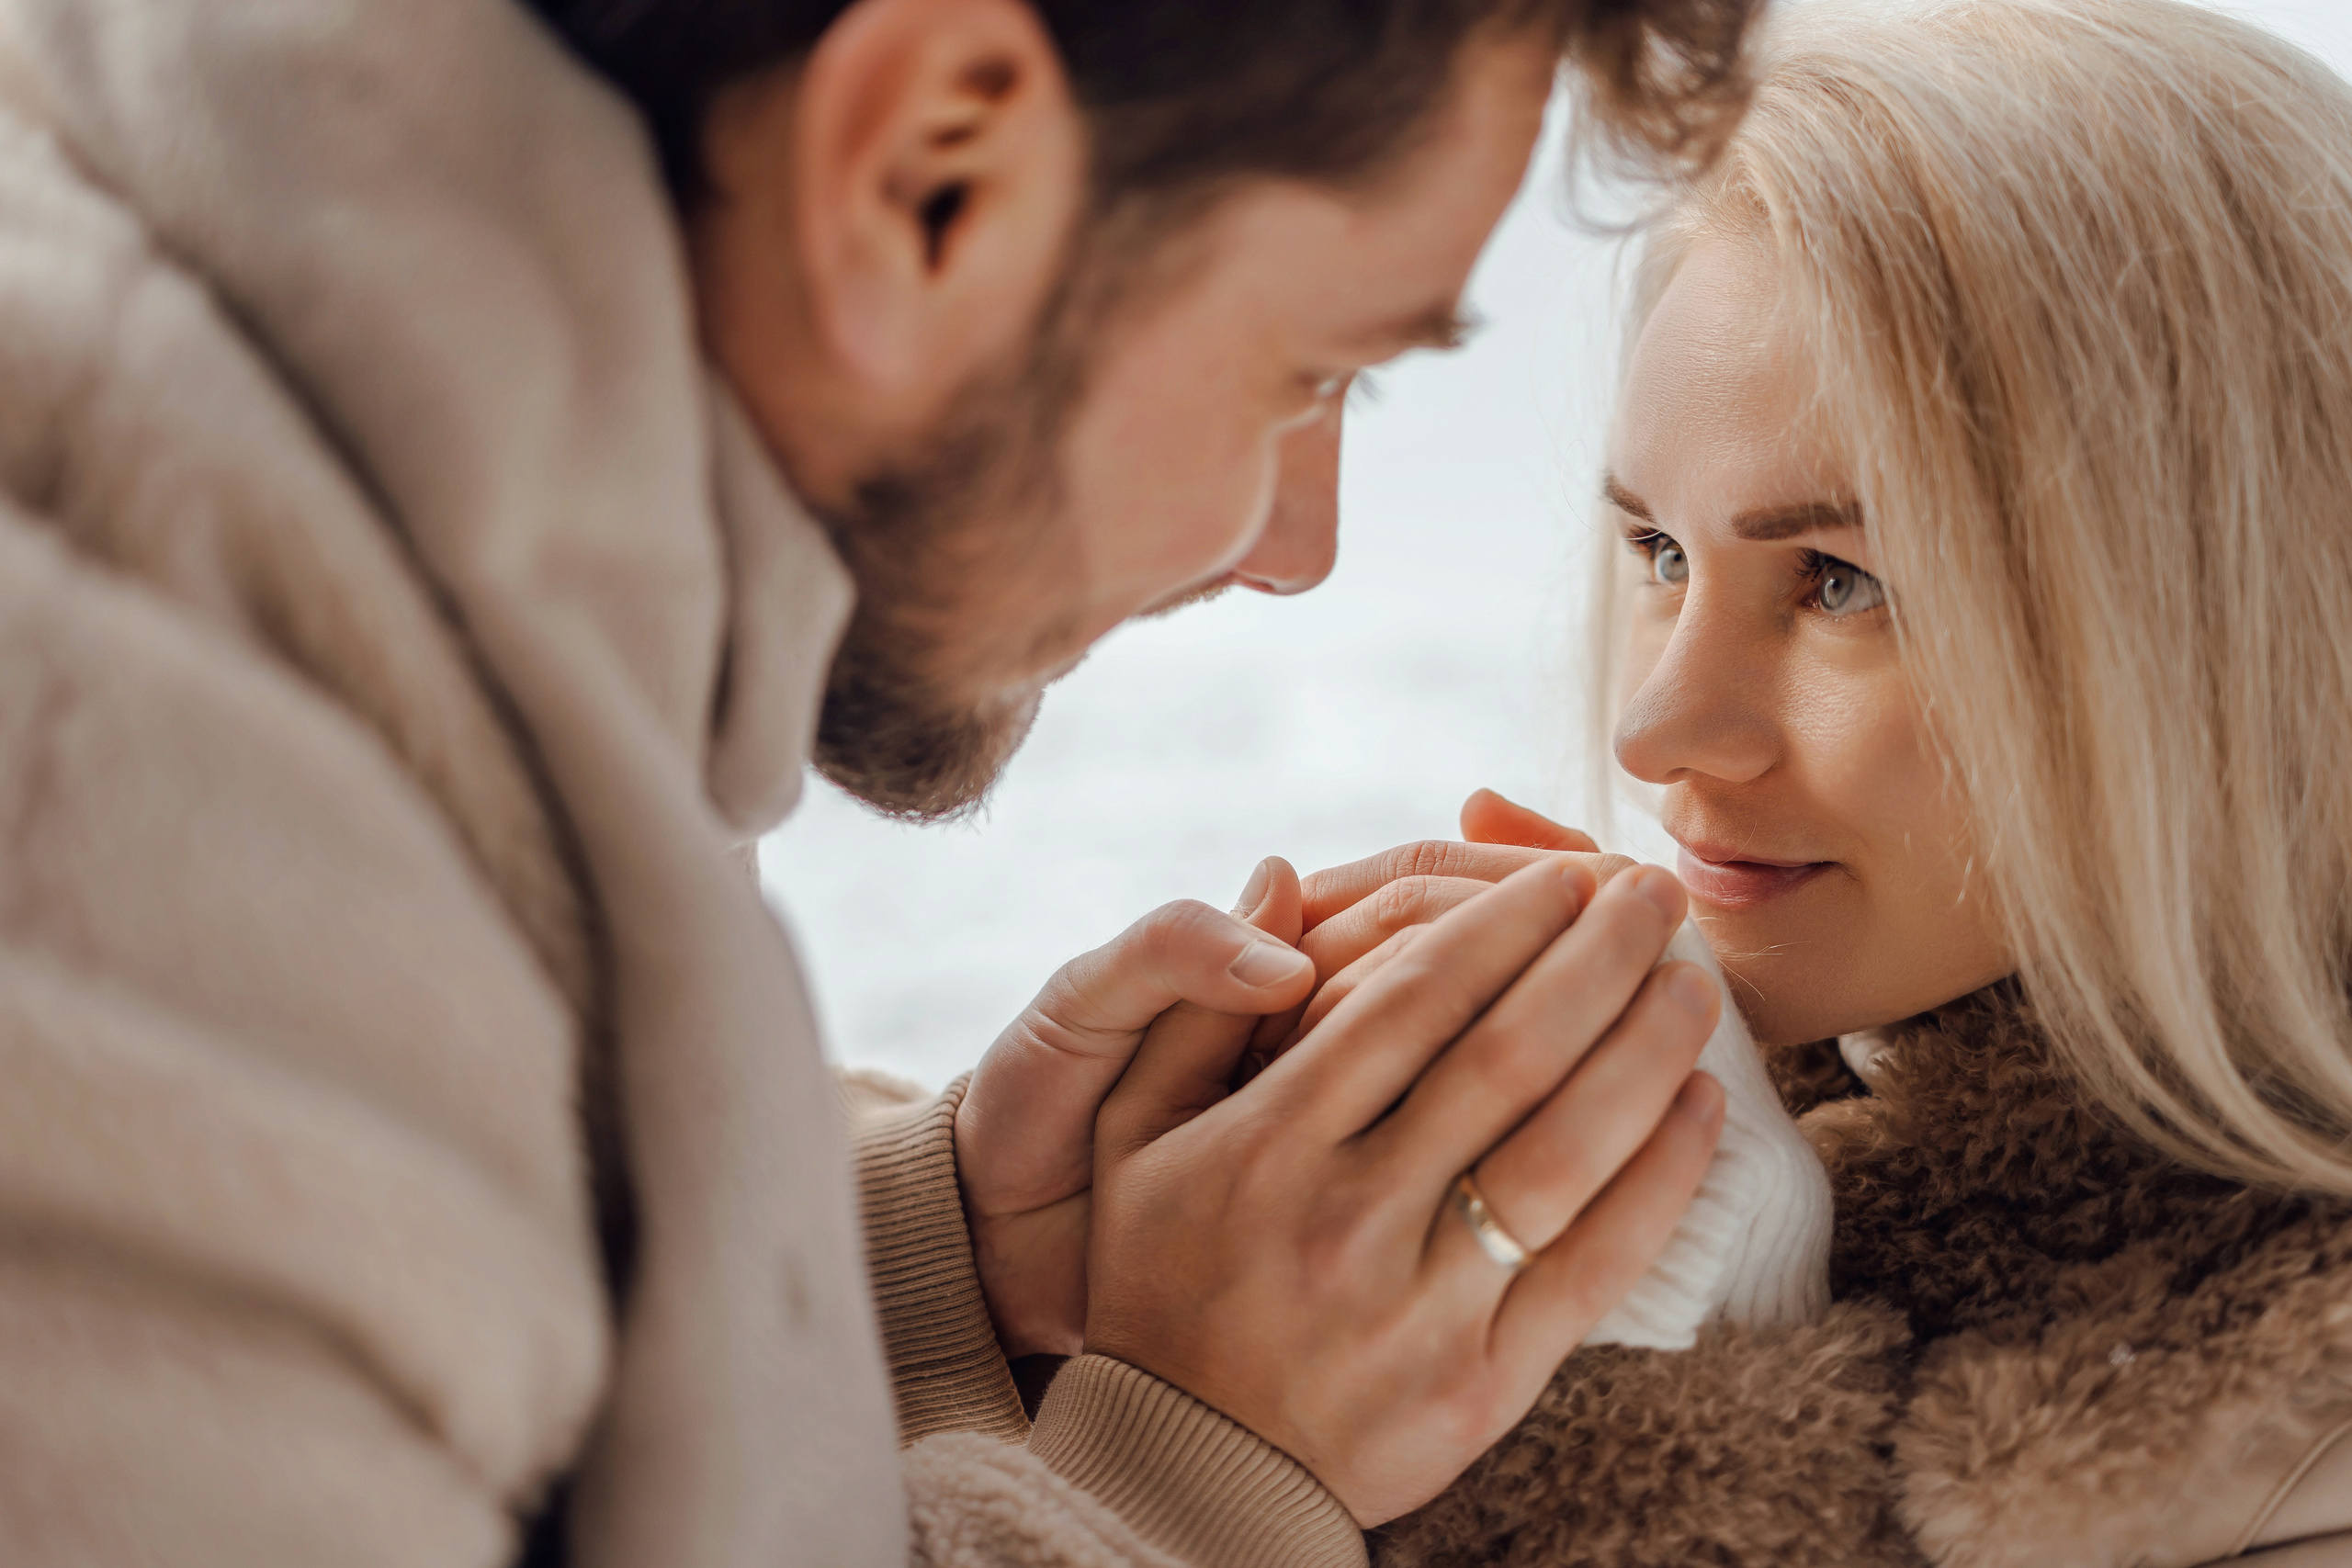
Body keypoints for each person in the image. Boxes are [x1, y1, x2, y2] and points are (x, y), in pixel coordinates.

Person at [0, 0, 1771, 1562]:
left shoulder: (394, 578)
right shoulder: (109, 819)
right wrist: (1196, 1478)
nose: (1291, 544)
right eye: (1311, 375)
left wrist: (911, 1262)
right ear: (926, 173)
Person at [1284, 1, 2352, 1562]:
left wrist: (1684, 1351)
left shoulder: (2290, 1432)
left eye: (1842, 581)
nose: (1656, 725)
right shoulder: (1707, 1077)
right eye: (1658, 551)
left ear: (2227, 640)